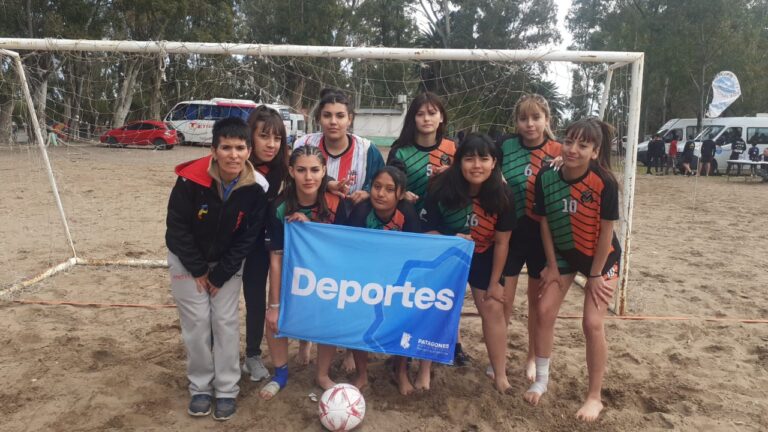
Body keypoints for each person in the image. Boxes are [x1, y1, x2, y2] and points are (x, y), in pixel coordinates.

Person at [165, 117, 269, 421]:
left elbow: (249, 236)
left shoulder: (256, 188)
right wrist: (198, 269)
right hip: (188, 260)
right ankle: (200, 387)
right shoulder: (190, 180)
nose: (233, 155)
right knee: (197, 323)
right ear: (214, 149)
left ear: (249, 150)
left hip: (227, 263)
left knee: (224, 322)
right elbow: (176, 228)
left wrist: (221, 273)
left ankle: (226, 390)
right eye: (226, 147)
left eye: (239, 147)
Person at [525, 118, 621, 423]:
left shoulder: (605, 182)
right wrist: (552, 266)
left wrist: (594, 277)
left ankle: (595, 397)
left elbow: (607, 232)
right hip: (564, 255)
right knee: (543, 310)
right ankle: (541, 380)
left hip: (600, 259)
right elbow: (545, 223)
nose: (573, 149)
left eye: (583, 145)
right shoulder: (546, 175)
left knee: (592, 323)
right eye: (569, 141)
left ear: (594, 151)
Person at [422, 133, 516, 394]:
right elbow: (426, 232)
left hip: (484, 254)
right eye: (469, 158)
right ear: (458, 161)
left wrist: (496, 281)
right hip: (447, 255)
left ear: (494, 162)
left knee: (493, 308)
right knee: (434, 307)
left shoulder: (503, 194)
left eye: (484, 159)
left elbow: (502, 243)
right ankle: (425, 371)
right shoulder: (441, 187)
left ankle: (500, 375)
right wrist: (452, 239)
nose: (477, 165)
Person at [259, 145, 350, 400]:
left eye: (314, 170)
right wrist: (274, 304)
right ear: (291, 171)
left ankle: (322, 374)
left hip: (326, 276)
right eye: (301, 170)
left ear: (324, 172)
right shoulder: (279, 206)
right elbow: (276, 257)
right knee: (274, 319)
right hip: (291, 274)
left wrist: (310, 229)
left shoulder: (336, 203)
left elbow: (344, 248)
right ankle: (280, 374)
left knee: (327, 322)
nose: (308, 177)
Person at [497, 93, 561, 383]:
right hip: (510, 231)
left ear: (547, 120)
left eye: (536, 117)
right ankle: (497, 357)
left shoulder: (560, 150)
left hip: (542, 234)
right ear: (516, 122)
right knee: (503, 299)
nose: (530, 124)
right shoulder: (505, 146)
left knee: (535, 300)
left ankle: (532, 357)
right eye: (524, 118)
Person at [346, 166, 421, 394]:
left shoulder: (407, 212)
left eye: (389, 189)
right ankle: (362, 373)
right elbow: (349, 246)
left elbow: (415, 249)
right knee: (360, 320)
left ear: (400, 194)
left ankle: (400, 372)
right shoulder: (361, 211)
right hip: (366, 277)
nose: (381, 194)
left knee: (403, 321)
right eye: (377, 187)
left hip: (398, 278)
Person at [241, 106, 289, 383]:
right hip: (231, 243)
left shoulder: (281, 167)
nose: (271, 144)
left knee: (256, 299)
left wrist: (329, 184)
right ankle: (213, 351)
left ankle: (252, 355)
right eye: (264, 136)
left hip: (261, 243)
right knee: (218, 300)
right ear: (251, 136)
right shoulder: (236, 162)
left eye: (277, 138)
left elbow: (304, 176)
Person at [293, 88, 385, 206]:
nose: (333, 122)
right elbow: (291, 180)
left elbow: (382, 183)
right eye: (327, 115)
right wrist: (326, 183)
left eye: (340, 116)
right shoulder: (304, 144)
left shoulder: (367, 150)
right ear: (319, 119)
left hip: (351, 221)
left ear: (349, 119)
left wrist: (368, 192)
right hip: (310, 220)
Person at [386, 92, 456, 214]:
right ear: (413, 118)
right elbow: (389, 187)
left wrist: (454, 172)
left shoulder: (453, 148)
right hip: (407, 217)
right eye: (420, 114)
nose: (426, 119)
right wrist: (401, 194)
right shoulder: (399, 152)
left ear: (441, 117)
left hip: (443, 221)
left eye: (432, 113)